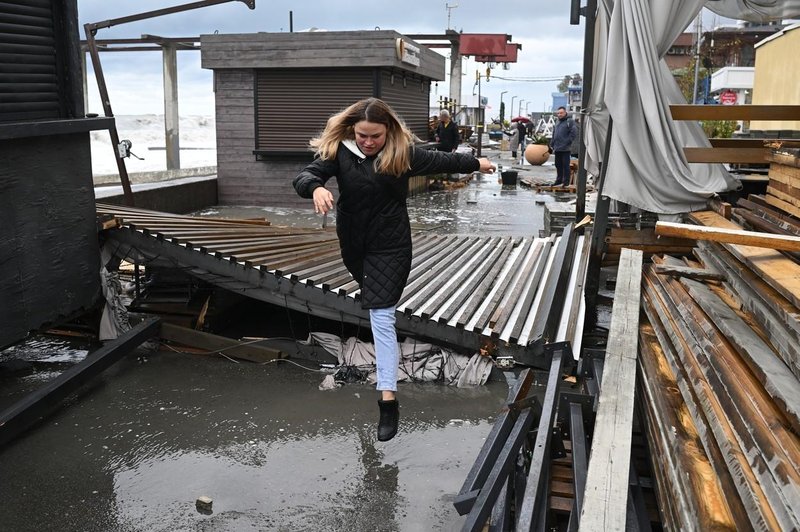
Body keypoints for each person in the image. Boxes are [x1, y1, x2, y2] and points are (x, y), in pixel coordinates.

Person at [292, 98, 495, 442]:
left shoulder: (402, 154)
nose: (368, 142)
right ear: (352, 130)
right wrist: (316, 188)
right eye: (362, 136)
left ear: (389, 132)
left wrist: (477, 161)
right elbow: (306, 175)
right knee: (375, 309)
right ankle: (387, 391)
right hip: (355, 247)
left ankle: (388, 400)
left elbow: (442, 160)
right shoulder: (339, 152)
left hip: (392, 246)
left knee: (381, 318)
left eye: (375, 136)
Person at [549, 106, 577, 186]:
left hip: (565, 148)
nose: (559, 114)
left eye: (561, 113)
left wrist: (567, 141)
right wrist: (552, 144)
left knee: (565, 165)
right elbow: (554, 133)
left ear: (565, 113)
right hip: (557, 148)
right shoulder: (557, 121)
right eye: (558, 113)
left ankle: (566, 181)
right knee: (558, 165)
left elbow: (574, 133)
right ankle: (559, 180)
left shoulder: (569, 121)